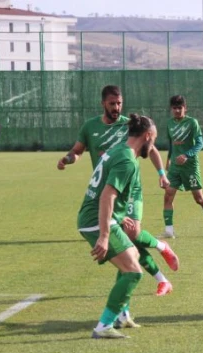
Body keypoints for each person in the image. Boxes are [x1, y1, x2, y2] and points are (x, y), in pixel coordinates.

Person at [57, 85, 178, 297]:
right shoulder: (90, 127)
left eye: (119, 103)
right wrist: (68, 159)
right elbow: (77, 151)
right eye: (112, 104)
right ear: (103, 103)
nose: (117, 107)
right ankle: (161, 280)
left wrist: (161, 173)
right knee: (125, 241)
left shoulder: (130, 126)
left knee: (133, 233)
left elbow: (152, 149)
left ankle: (161, 247)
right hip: (108, 186)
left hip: (130, 187)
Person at [77, 113, 157, 339]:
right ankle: (104, 326)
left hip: (99, 217)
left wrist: (118, 217)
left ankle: (122, 315)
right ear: (148, 136)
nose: (153, 146)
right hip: (96, 221)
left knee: (131, 255)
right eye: (154, 140)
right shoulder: (127, 160)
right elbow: (106, 196)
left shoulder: (118, 149)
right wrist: (104, 235)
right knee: (133, 272)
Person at [162, 95, 203, 238]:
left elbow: (200, 144)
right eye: (174, 108)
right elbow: (171, 144)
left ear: (185, 108)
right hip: (175, 167)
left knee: (199, 198)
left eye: (180, 108)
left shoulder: (192, 123)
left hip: (190, 167)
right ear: (171, 109)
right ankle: (169, 230)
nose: (177, 111)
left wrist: (187, 155)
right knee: (168, 196)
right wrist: (168, 159)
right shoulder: (169, 123)